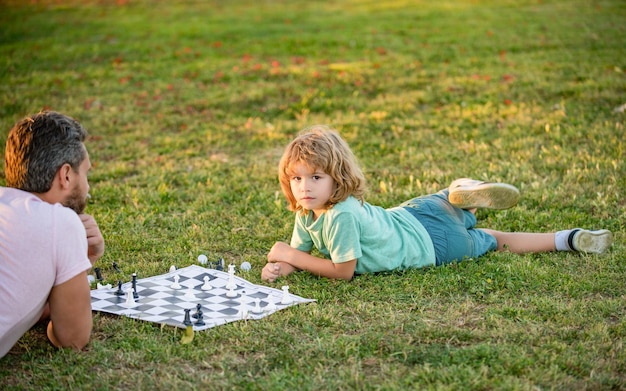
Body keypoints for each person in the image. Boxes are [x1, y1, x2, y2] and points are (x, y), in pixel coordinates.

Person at [261, 126, 613, 282]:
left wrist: (289, 257)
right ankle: (465, 192)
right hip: (415, 213)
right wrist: (283, 266)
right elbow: (299, 251)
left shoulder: (340, 217)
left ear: (337, 177)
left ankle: (563, 239)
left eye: (316, 178)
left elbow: (343, 272)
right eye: (297, 179)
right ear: (289, 180)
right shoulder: (307, 210)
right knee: (449, 200)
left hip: (435, 246)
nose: (304, 188)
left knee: (494, 237)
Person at [0, 111, 105, 358]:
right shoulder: (60, 222)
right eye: (85, 173)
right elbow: (72, 338)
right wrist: (85, 259)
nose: (88, 187)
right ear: (66, 175)